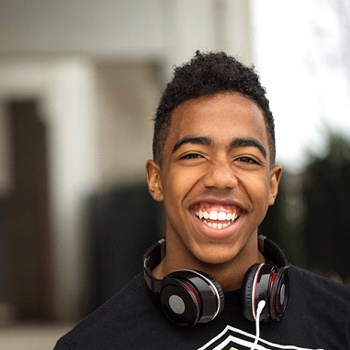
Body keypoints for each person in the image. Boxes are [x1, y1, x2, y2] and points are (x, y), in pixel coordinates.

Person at [54, 51, 350, 350]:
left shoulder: (341, 319)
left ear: (272, 185)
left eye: (246, 158)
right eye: (193, 155)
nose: (221, 178)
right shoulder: (91, 344)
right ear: (156, 179)